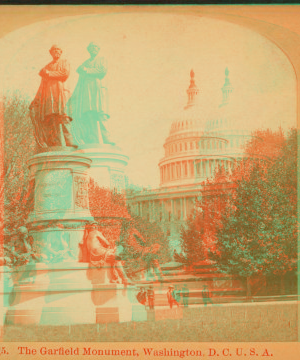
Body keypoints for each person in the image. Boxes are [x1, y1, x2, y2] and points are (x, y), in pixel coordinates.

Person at [29, 45, 76, 148]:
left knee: (64, 117)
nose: (56, 52)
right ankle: (56, 143)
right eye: (54, 50)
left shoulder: (64, 62)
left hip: (61, 93)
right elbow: (42, 85)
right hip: (49, 96)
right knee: (52, 119)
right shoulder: (47, 66)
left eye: (58, 50)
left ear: (61, 52)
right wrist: (36, 99)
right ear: (51, 52)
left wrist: (49, 73)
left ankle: (70, 141)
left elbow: (65, 73)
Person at [69, 42, 114, 145]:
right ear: (88, 50)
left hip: (97, 88)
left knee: (101, 114)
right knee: (90, 115)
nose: (93, 49)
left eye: (95, 48)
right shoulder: (86, 62)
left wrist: (86, 70)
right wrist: (82, 69)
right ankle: (93, 140)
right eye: (91, 48)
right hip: (87, 91)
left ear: (98, 49)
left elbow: (102, 70)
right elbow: (80, 72)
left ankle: (107, 138)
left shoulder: (101, 59)